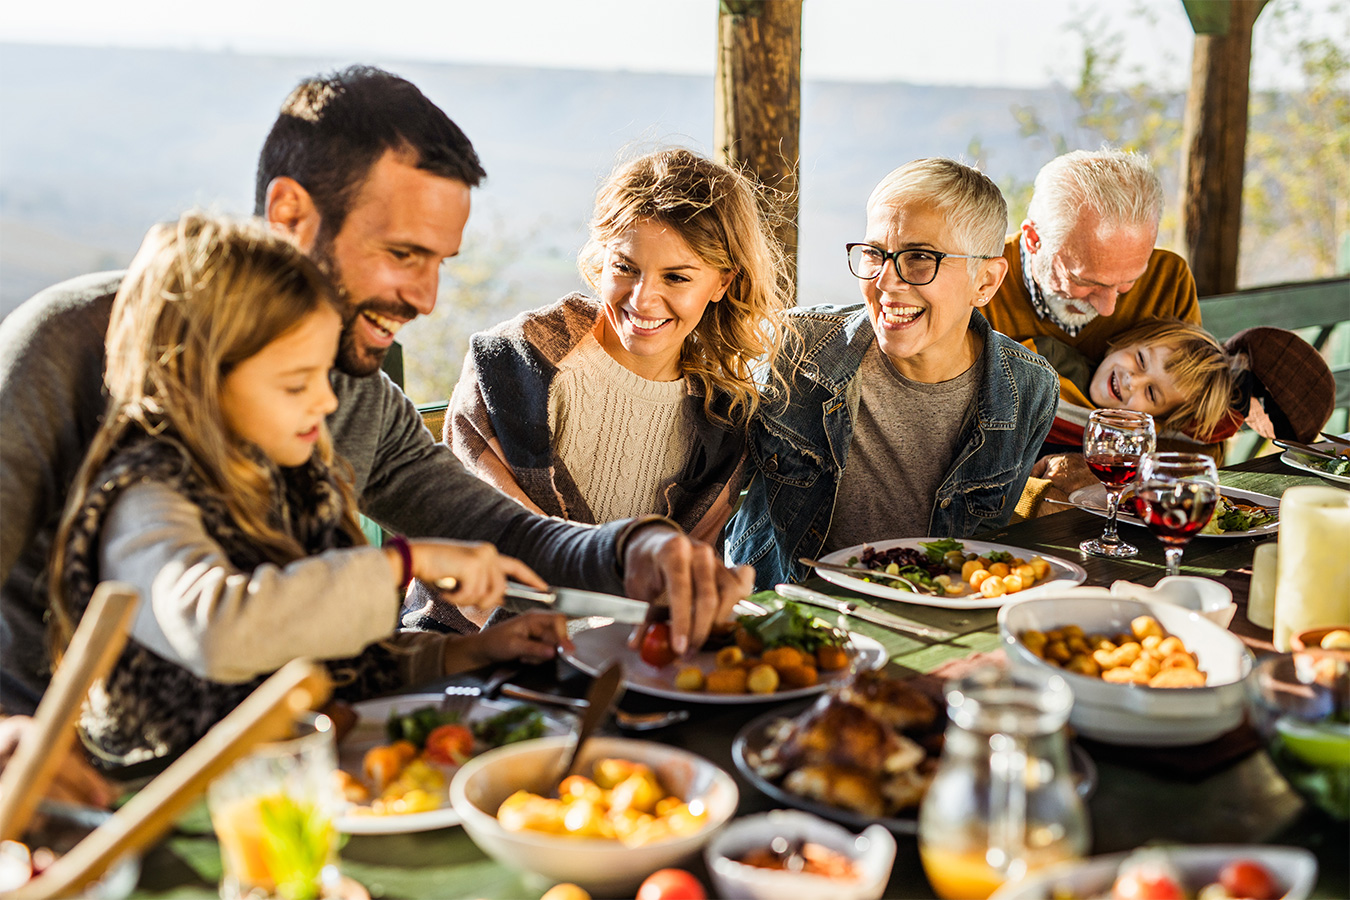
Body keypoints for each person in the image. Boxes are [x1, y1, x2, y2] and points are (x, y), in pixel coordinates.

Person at [0, 66, 751, 716]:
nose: (426, 299)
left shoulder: (354, 385)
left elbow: (505, 533)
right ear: (292, 213)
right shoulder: (69, 342)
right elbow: (212, 621)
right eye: (402, 254)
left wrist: (639, 547)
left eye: (441, 263)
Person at [43, 213, 575, 765]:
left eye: (324, 374)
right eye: (296, 383)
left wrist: (468, 652)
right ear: (196, 379)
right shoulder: (144, 499)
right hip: (172, 806)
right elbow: (221, 632)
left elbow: (331, 659)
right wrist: (403, 562)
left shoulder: (295, 482)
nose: (325, 402)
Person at [726, 158, 1060, 589]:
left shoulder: (1029, 389)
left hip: (928, 624)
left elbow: (981, 554)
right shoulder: (795, 348)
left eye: (920, 258)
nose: (886, 281)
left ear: (986, 281)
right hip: (785, 611)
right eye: (874, 254)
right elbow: (714, 493)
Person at [448, 148, 790, 545]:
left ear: (722, 283)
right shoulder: (517, 364)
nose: (643, 299)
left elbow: (685, 569)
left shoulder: (722, 420)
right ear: (602, 259)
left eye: (676, 277)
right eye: (625, 268)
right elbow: (493, 536)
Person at [983, 148, 1201, 365]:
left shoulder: (1168, 281)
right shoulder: (977, 281)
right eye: (1085, 281)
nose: (1107, 308)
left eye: (1129, 281)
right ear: (1034, 239)